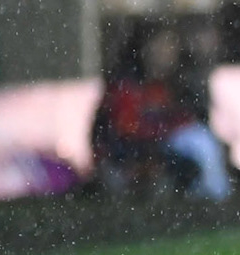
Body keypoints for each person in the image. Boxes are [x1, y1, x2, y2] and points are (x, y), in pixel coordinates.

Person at [90, 26, 231, 202]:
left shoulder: (174, 82)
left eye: (170, 47)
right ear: (144, 49)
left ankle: (212, 193)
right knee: (194, 144)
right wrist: (166, 132)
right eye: (160, 46)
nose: (166, 53)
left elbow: (187, 117)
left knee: (199, 140)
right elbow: (126, 132)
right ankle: (210, 194)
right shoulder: (127, 84)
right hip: (127, 157)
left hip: (156, 150)